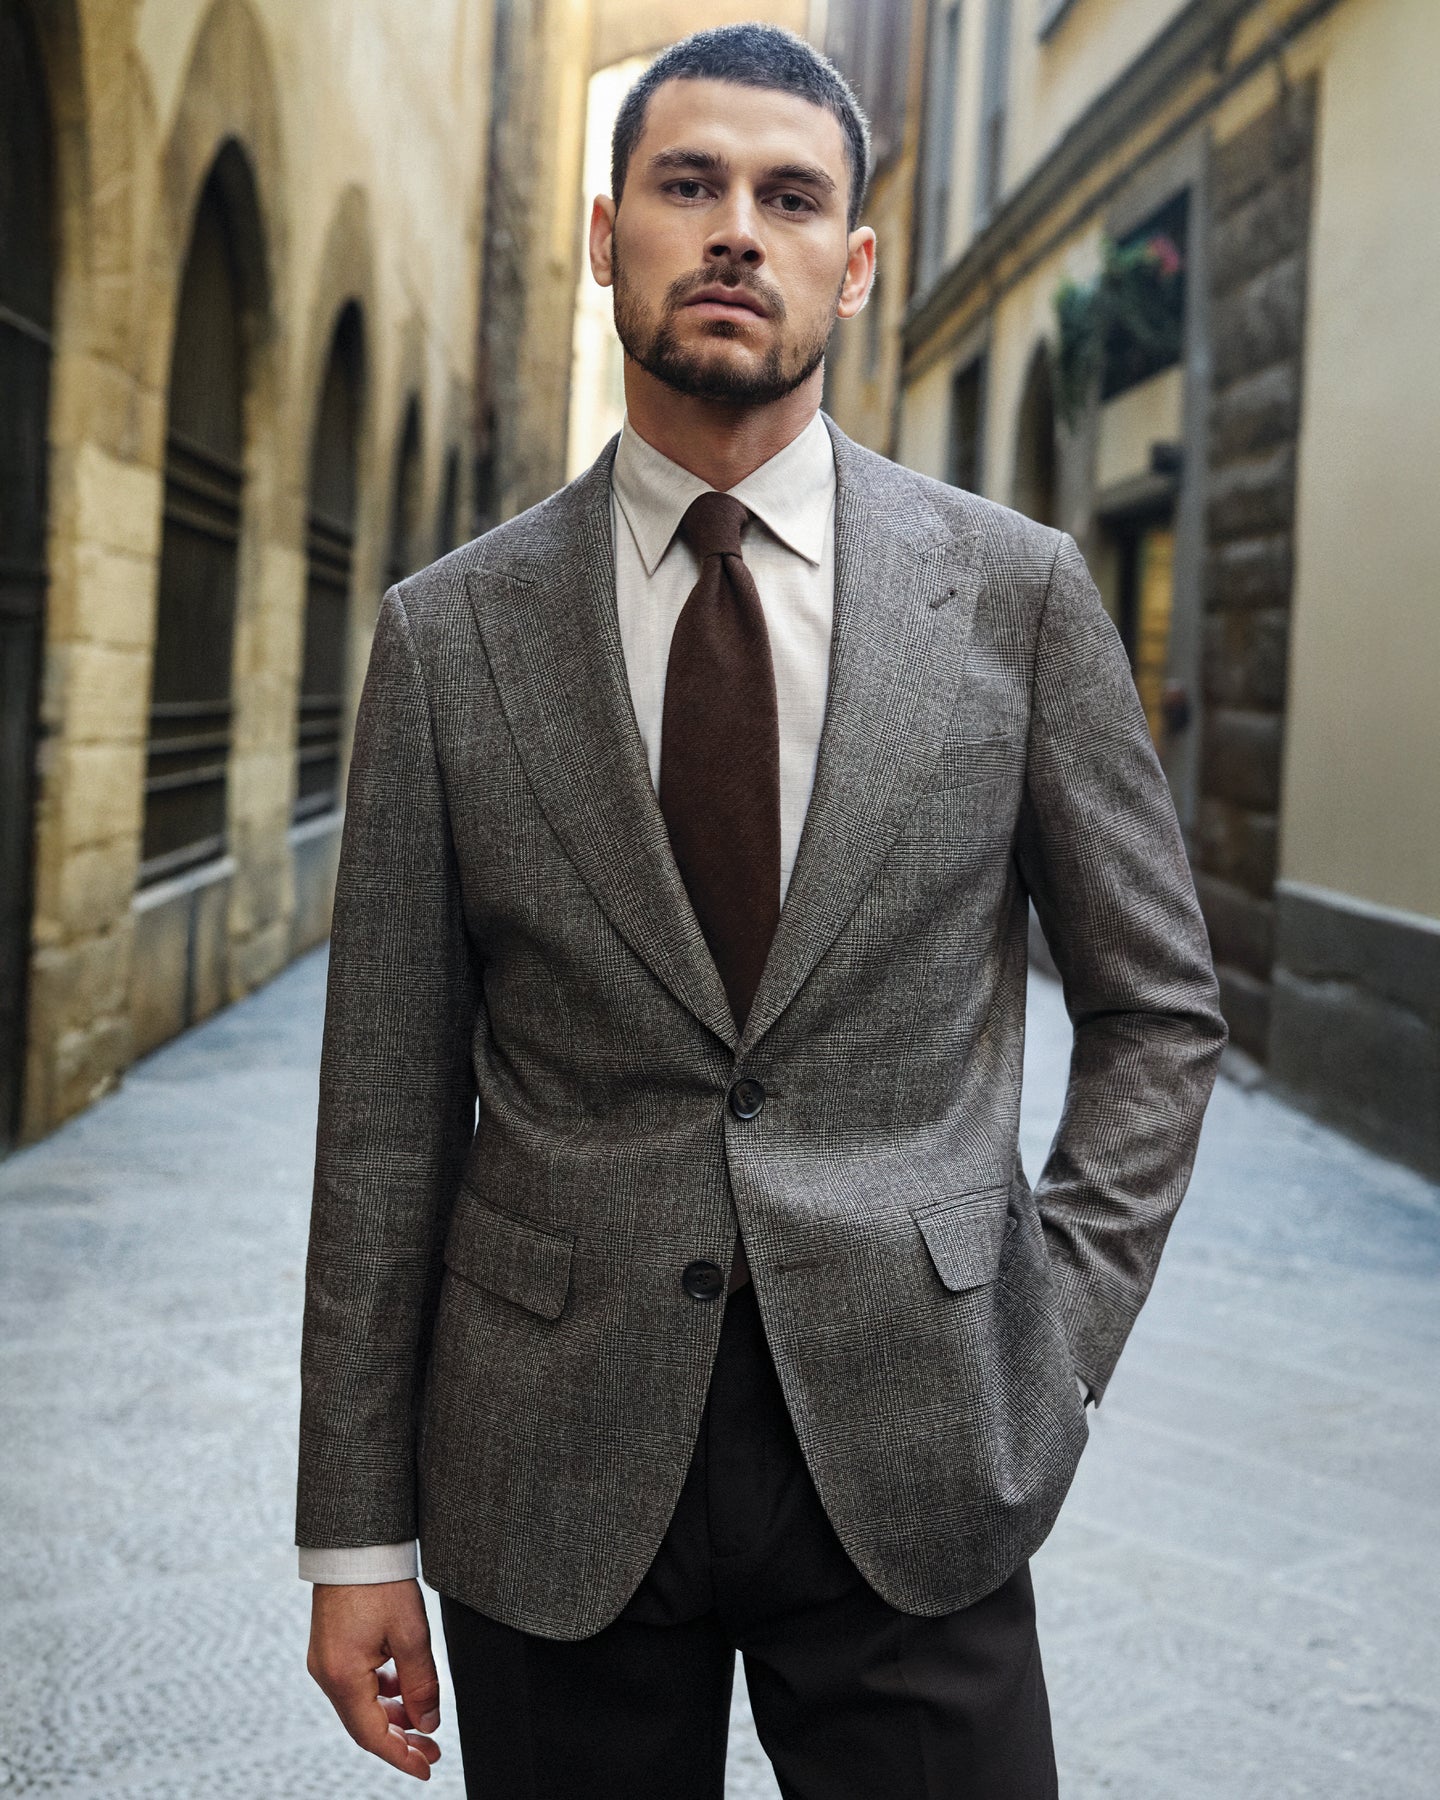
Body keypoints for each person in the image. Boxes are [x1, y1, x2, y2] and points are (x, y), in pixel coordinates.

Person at [297, 24, 1226, 1797]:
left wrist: (1051, 1333)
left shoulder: (1015, 597)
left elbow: (1158, 1011)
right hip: (552, 1465)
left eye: (791, 196)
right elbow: (385, 1115)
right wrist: (354, 1536)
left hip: (918, 1440)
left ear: (853, 265)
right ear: (606, 233)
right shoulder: (449, 635)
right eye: (689, 184)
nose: (740, 229)